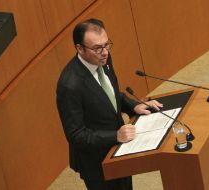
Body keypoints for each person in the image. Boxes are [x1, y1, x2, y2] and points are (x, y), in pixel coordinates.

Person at [56, 18, 163, 190]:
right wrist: (115, 136)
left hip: (119, 149)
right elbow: (76, 135)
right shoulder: (70, 85)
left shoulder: (103, 59)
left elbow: (110, 94)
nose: (104, 52)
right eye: (97, 48)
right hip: (96, 162)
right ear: (80, 48)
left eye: (107, 45)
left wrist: (133, 105)